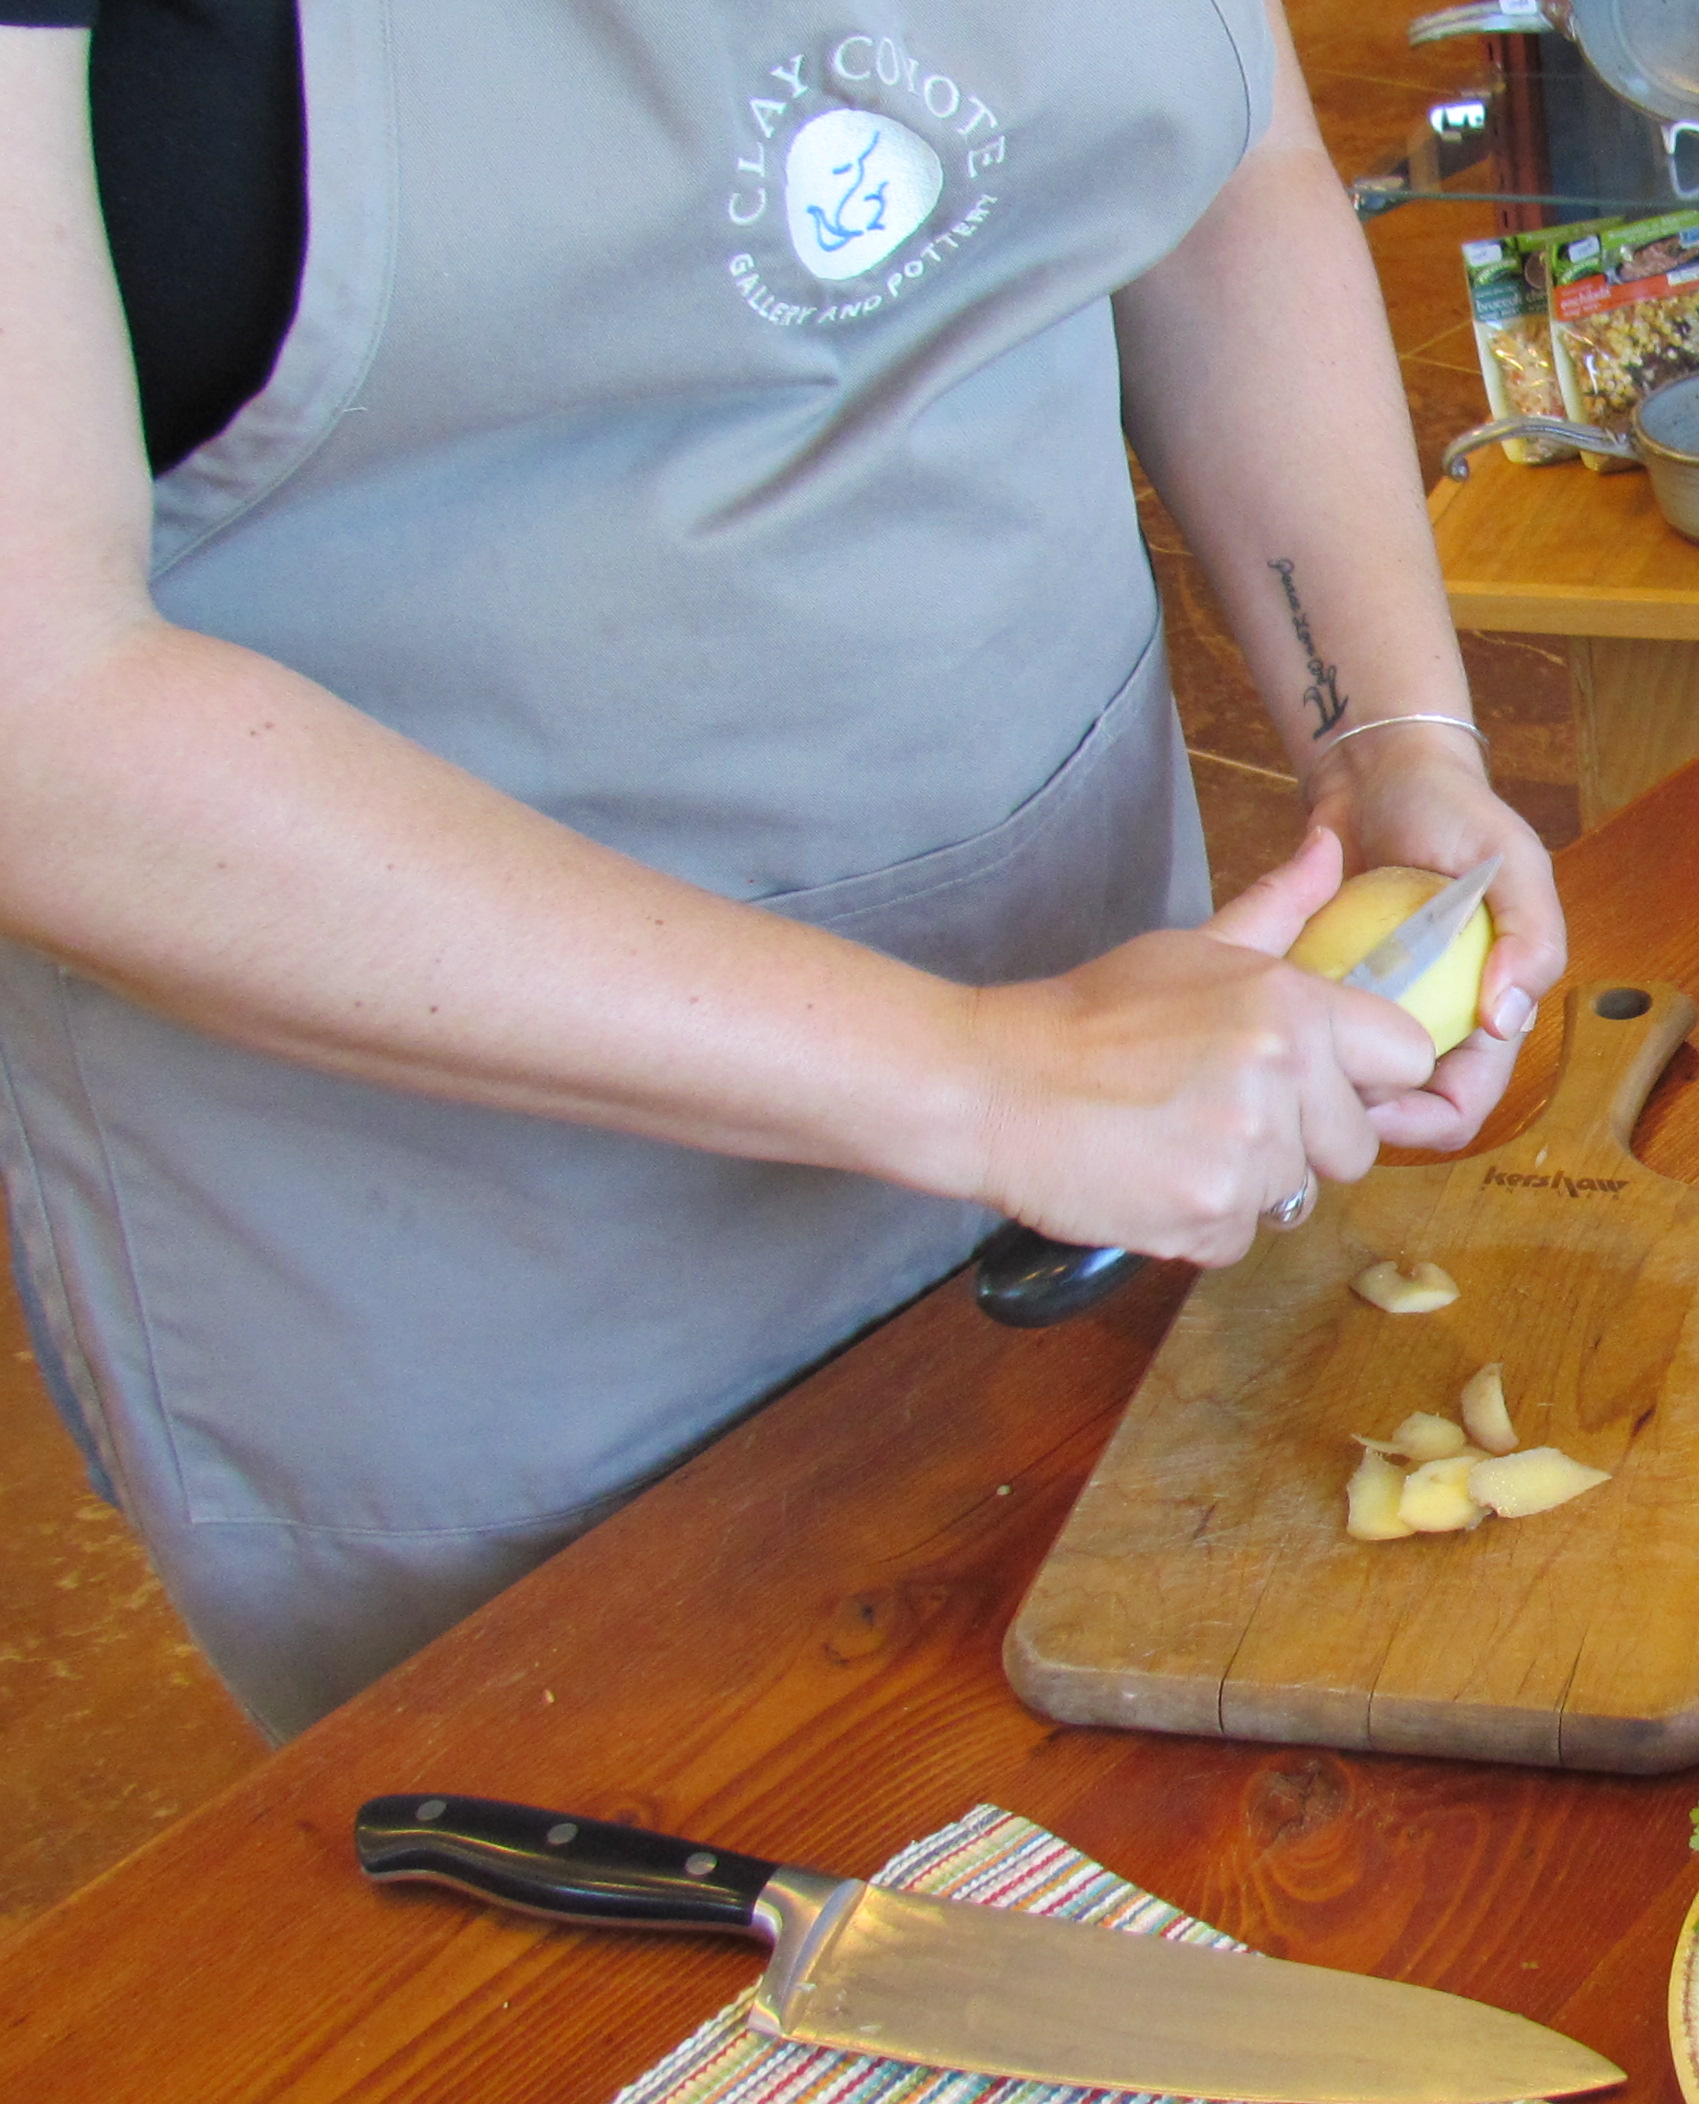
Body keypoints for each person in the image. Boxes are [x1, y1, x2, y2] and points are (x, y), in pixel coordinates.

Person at [0, 0, 1566, 1737]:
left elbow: (1223, 178)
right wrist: (976, 1078)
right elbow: (35, 717)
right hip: (501, 1246)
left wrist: (1390, 738)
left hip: (1136, 1091)